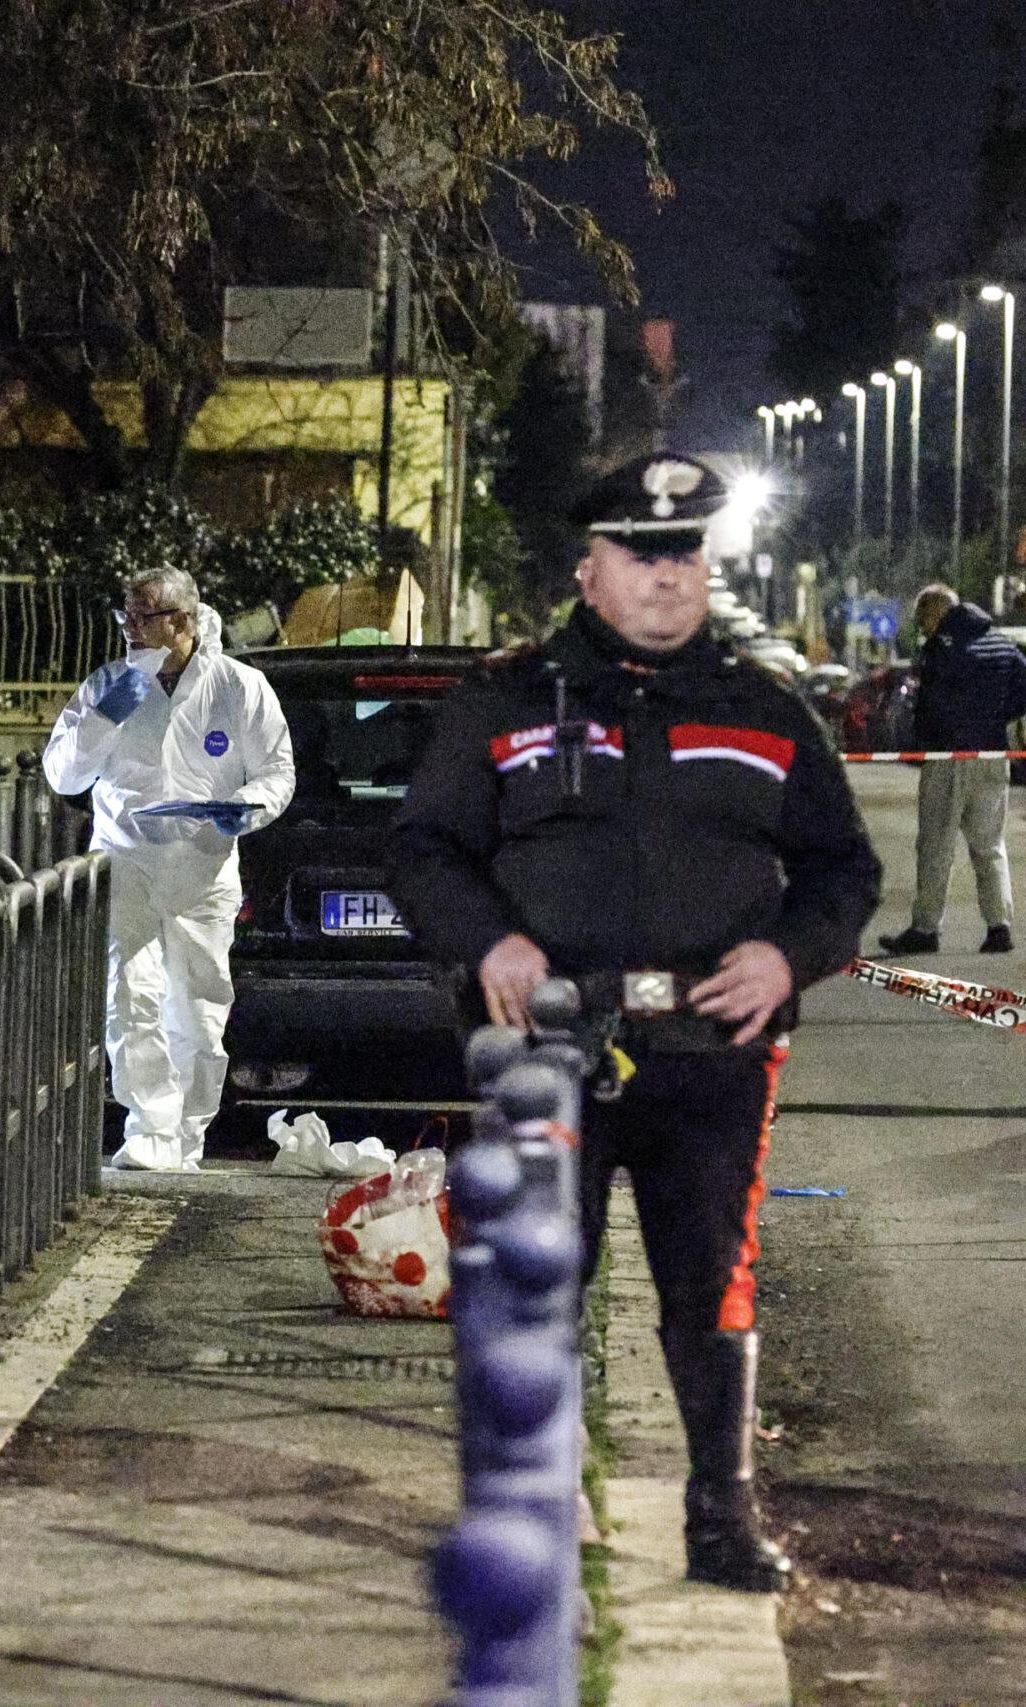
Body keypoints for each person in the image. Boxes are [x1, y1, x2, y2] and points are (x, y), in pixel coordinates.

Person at [392, 453, 882, 1592]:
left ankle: (719, 1520)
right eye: (644, 554)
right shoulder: (505, 701)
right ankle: (537, 1510)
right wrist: (490, 943)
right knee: (536, 1288)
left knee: (712, 1283)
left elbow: (841, 869)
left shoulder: (764, 709)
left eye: (688, 554)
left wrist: (786, 956)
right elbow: (423, 850)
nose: (669, 577)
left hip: (711, 1054)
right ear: (590, 569)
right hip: (546, 1049)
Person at [43, 568, 295, 1173]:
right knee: (130, 995)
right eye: (124, 616)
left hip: (202, 869)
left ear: (182, 622)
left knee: (199, 1008)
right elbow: (63, 775)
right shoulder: (109, 684)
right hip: (125, 858)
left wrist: (242, 810)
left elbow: (276, 772)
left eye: (143, 617)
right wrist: (106, 716)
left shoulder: (238, 687)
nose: (129, 629)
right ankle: (149, 1129)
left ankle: (186, 1130)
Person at [875, 583, 1026, 955]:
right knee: (990, 844)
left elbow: (930, 705)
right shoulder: (1001, 643)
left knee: (936, 844)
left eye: (922, 618)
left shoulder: (942, 648)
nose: (922, 627)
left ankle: (926, 929)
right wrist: (993, 721)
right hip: (992, 755)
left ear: (936, 613)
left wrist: (923, 743)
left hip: (950, 757)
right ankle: (999, 927)